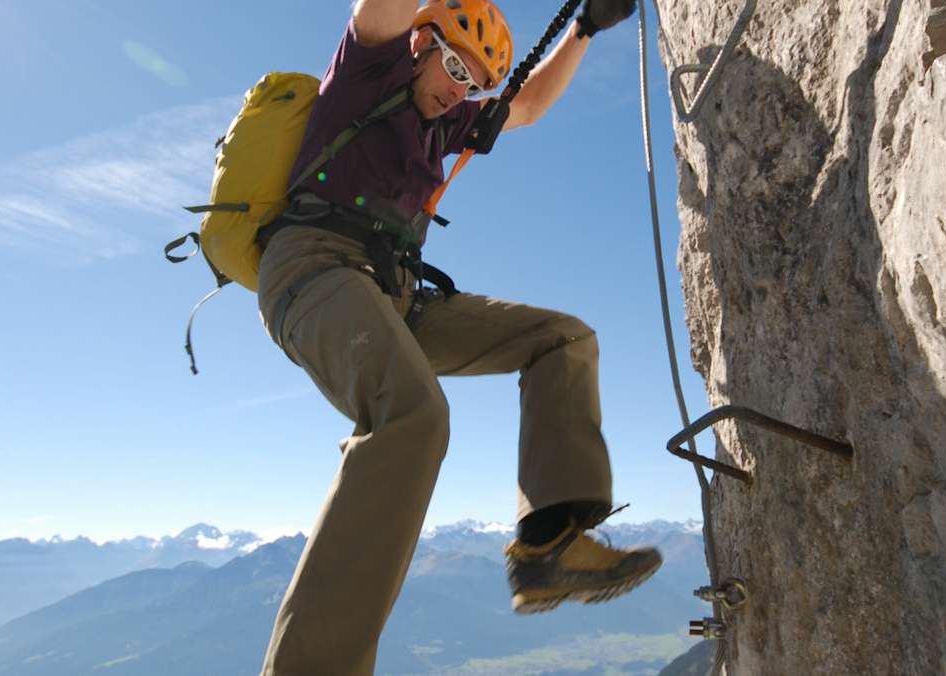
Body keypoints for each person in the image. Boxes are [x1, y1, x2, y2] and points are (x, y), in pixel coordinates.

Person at [255, 1, 660, 673]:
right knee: (411, 418)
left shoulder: (448, 126)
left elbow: (524, 107)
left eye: (471, 81)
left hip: (396, 294)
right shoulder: (368, 71)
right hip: (314, 266)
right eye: (451, 64)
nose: (456, 87)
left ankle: (547, 546)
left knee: (560, 339)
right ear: (420, 42)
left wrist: (586, 29)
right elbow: (374, 11)